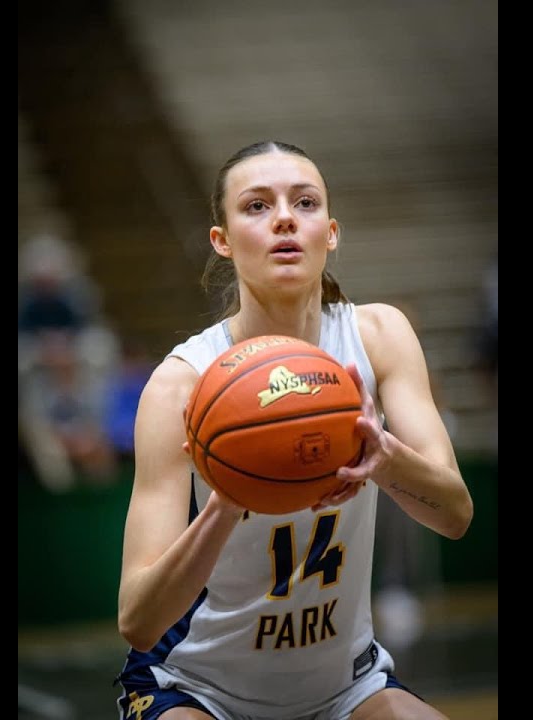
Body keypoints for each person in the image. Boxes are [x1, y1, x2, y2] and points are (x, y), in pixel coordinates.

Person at [114, 141, 473, 720]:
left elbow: (455, 516)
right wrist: (225, 504)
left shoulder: (379, 337)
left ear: (330, 233)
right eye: (257, 206)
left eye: (304, 203)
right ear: (222, 241)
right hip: (196, 686)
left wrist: (383, 458)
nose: (284, 217)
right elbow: (137, 619)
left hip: (346, 685)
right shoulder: (181, 385)